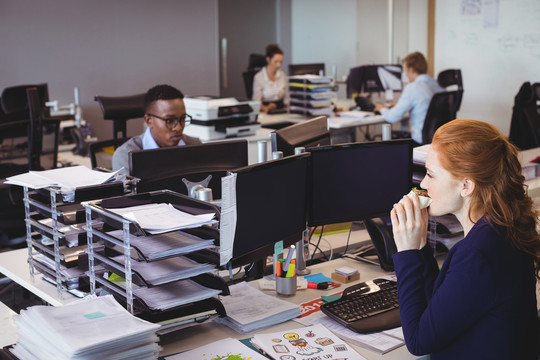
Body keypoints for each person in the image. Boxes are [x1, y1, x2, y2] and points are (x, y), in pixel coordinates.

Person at [390, 119, 539, 359]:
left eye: (430, 175)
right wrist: (420, 247)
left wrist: (407, 254)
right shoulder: (500, 229)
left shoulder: (476, 254)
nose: (422, 184)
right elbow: (440, 303)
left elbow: (418, 342)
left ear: (466, 185)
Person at [112, 84, 201, 174]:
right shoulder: (125, 156)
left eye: (182, 119)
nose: (178, 127)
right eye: (169, 120)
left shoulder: (195, 146)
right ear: (149, 121)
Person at [374, 51, 444, 145]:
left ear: (411, 70)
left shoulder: (413, 88)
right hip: (438, 141)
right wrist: (400, 105)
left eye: (405, 70)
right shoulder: (438, 85)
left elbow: (392, 117)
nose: (406, 74)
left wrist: (382, 109)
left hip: (420, 142)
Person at [252, 44, 289, 113]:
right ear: (268, 59)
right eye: (276, 62)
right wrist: (266, 107)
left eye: (281, 62)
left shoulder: (282, 75)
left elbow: (287, 98)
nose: (279, 65)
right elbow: (256, 103)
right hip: (266, 112)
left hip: (281, 111)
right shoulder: (259, 77)